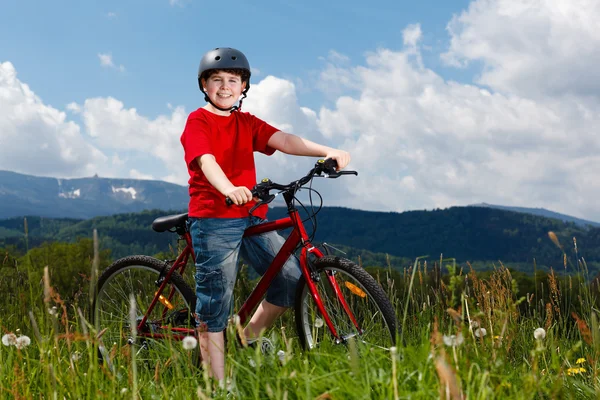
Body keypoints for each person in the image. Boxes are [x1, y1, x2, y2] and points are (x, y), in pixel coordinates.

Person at [180, 47, 351, 381]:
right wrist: (228, 188)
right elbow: (206, 160)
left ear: (244, 86)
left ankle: (246, 339)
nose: (225, 86)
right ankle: (217, 386)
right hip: (214, 220)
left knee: (291, 279)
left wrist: (328, 150)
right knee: (215, 304)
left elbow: (284, 139)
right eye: (217, 80)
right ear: (204, 86)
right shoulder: (197, 121)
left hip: (250, 216)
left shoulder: (246, 122)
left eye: (233, 80)